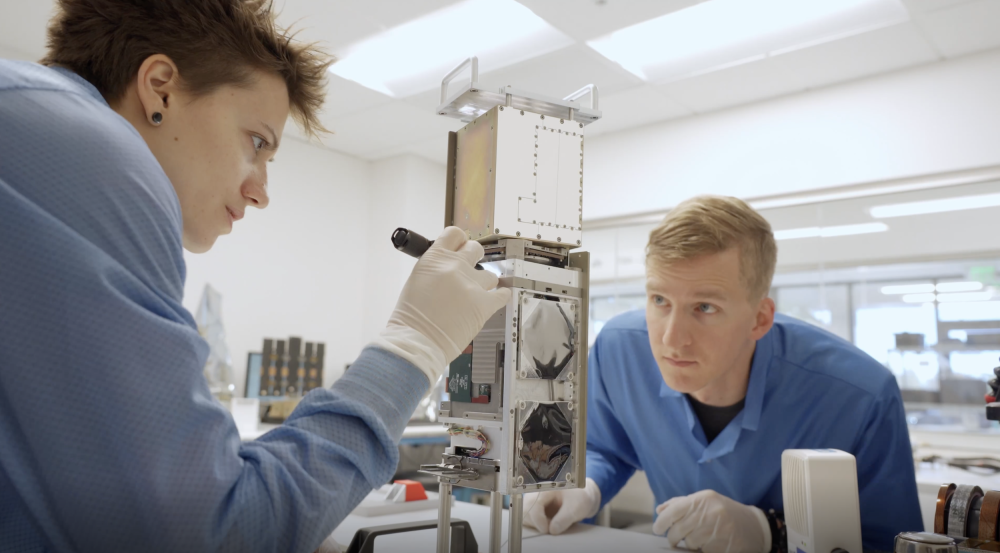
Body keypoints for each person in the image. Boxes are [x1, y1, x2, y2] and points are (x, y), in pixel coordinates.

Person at [0, 1, 509, 551]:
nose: (261, 192)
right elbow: (213, 531)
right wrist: (416, 344)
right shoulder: (94, 156)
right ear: (160, 87)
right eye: (257, 142)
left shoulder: (30, 125)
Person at [522, 196, 921, 553]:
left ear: (760, 318)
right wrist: (583, 486)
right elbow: (606, 447)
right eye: (660, 300)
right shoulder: (619, 350)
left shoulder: (861, 396)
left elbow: (892, 542)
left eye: (705, 307)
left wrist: (770, 534)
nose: (672, 340)